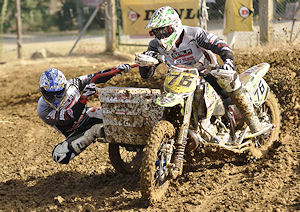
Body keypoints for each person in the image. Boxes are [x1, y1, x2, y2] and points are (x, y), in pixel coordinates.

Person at [135, 6, 262, 134]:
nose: (160, 36)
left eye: (164, 31)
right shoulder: (155, 45)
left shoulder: (194, 34)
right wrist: (145, 64)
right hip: (178, 79)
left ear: (175, 26)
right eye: (156, 32)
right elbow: (146, 74)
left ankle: (250, 123)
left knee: (228, 89)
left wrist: (228, 62)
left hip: (207, 72)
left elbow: (221, 45)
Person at [37, 64, 130, 164]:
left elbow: (94, 77)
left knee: (119, 115)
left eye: (59, 92)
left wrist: (114, 70)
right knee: (59, 156)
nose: (55, 98)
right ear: (42, 92)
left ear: (64, 86)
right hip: (74, 132)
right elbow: (69, 117)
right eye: (50, 94)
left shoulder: (73, 84)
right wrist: (84, 97)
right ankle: (96, 130)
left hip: (87, 116)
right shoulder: (42, 109)